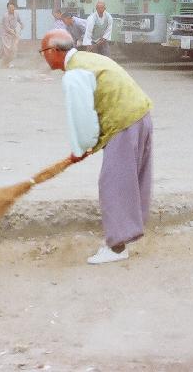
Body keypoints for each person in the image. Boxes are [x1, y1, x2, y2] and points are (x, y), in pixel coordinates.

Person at [40, 29, 153, 265]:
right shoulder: (90, 58)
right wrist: (90, 144)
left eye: (43, 52)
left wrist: (81, 148)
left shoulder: (74, 74)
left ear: (54, 51)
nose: (43, 57)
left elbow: (82, 117)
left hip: (123, 122)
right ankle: (128, 232)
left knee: (113, 183)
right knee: (130, 180)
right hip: (141, 115)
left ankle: (117, 247)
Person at [0, 2, 23, 68]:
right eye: (10, 8)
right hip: (5, 34)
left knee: (13, 49)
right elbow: (7, 28)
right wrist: (15, 34)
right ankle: (4, 64)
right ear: (7, 8)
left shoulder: (16, 13)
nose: (12, 9)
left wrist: (21, 24)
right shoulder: (5, 16)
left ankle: (7, 63)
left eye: (13, 7)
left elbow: (19, 20)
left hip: (13, 32)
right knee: (7, 49)